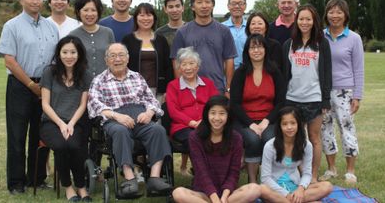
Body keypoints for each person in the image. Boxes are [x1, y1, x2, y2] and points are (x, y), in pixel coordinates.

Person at [87, 43, 172, 196]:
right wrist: (116, 115)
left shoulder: (137, 77)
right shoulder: (99, 81)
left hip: (140, 117)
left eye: (121, 55)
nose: (117, 59)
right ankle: (129, 178)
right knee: (120, 131)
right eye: (112, 56)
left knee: (158, 130)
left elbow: (151, 100)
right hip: (114, 119)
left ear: (127, 59)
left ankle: (154, 177)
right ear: (106, 60)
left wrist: (149, 112)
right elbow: (95, 105)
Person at [0, 0, 58, 194]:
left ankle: (37, 178)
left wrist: (45, 85)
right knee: (17, 135)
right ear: (22, 0)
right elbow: (9, 61)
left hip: (46, 86)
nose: (35, 1)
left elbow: (55, 59)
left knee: (41, 134)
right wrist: (31, 85)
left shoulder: (51, 28)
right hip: (21, 85)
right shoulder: (12, 26)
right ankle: (16, 183)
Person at [172, 95, 261, 203]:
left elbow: (234, 173)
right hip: (203, 193)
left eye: (222, 113)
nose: (217, 118)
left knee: (255, 189)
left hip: (228, 196)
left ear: (228, 116)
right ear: (207, 114)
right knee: (178, 193)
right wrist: (214, 199)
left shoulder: (236, 138)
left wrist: (223, 197)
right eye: (213, 113)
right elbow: (201, 172)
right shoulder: (195, 137)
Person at [282, 4, 332, 183]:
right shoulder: (289, 44)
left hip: (314, 99)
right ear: (296, 21)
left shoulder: (321, 43)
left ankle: (313, 175)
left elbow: (326, 72)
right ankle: (299, 174)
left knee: (314, 138)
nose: (305, 22)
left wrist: (325, 100)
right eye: (301, 19)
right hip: (292, 98)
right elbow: (284, 74)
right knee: (295, 138)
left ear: (314, 21)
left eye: (308, 19)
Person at [40, 36, 92, 202]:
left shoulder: (85, 74)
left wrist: (70, 123)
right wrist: (61, 123)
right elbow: (45, 105)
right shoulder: (49, 72)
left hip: (75, 122)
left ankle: (81, 186)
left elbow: (83, 105)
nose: (69, 56)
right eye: (65, 52)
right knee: (61, 145)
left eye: (73, 52)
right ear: (59, 53)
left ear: (79, 54)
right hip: (51, 122)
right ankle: (68, 187)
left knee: (75, 145)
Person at [230, 34, 285, 183]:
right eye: (252, 47)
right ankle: (253, 181)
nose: (256, 50)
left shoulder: (274, 72)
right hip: (244, 121)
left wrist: (266, 121)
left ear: (265, 49)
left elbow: (280, 102)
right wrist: (251, 124)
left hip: (269, 119)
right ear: (247, 51)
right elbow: (234, 104)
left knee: (269, 139)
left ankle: (270, 180)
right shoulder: (240, 73)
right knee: (253, 139)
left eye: (259, 46)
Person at [320, 0, 364, 184]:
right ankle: (331, 169)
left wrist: (357, 96)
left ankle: (350, 171)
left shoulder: (354, 38)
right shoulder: (319, 36)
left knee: (347, 129)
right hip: (322, 90)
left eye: (339, 12)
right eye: (331, 11)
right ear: (326, 14)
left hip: (345, 91)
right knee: (325, 129)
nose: (335, 15)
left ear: (345, 15)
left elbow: (359, 68)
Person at [171, 0, 237, 95]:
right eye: (199, 2)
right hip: (190, 90)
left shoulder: (223, 31)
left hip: (217, 89)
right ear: (193, 6)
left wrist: (228, 88)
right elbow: (176, 62)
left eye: (207, 1)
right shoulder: (182, 32)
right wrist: (181, 89)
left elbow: (229, 60)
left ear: (212, 5)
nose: (204, 6)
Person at [260, 106, 333, 202]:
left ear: (298, 124)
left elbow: (307, 174)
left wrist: (300, 189)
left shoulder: (306, 145)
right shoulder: (270, 146)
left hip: (295, 188)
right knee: (262, 189)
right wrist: (286, 194)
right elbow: (265, 178)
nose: (289, 127)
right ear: (279, 126)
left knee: (327, 186)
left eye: (293, 123)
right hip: (275, 190)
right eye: (285, 124)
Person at [166, 47, 218, 176]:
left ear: (198, 66)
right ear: (179, 68)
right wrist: (192, 123)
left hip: (208, 124)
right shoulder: (173, 86)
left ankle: (214, 172)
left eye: (191, 63)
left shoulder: (208, 84)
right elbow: (173, 112)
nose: (188, 67)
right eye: (184, 64)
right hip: (182, 127)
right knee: (194, 138)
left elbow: (216, 105)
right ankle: (203, 174)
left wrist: (205, 121)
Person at [122, 3, 173, 99]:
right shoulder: (128, 40)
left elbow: (168, 67)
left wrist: (168, 89)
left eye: (149, 15)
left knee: (157, 114)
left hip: (158, 91)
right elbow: (122, 65)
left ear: (154, 18)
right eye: (142, 15)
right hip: (133, 90)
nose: (146, 18)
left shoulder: (161, 40)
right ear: (136, 18)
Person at [69, 0, 115, 77]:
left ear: (98, 12)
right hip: (81, 84)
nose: (89, 14)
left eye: (93, 10)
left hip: (106, 83)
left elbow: (113, 58)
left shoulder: (108, 32)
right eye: (85, 10)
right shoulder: (72, 35)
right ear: (79, 12)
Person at [222, 0, 248, 69]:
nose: (237, 6)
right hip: (225, 73)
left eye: (240, 3)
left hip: (247, 72)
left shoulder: (251, 27)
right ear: (228, 6)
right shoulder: (221, 28)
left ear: (245, 6)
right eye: (233, 4)